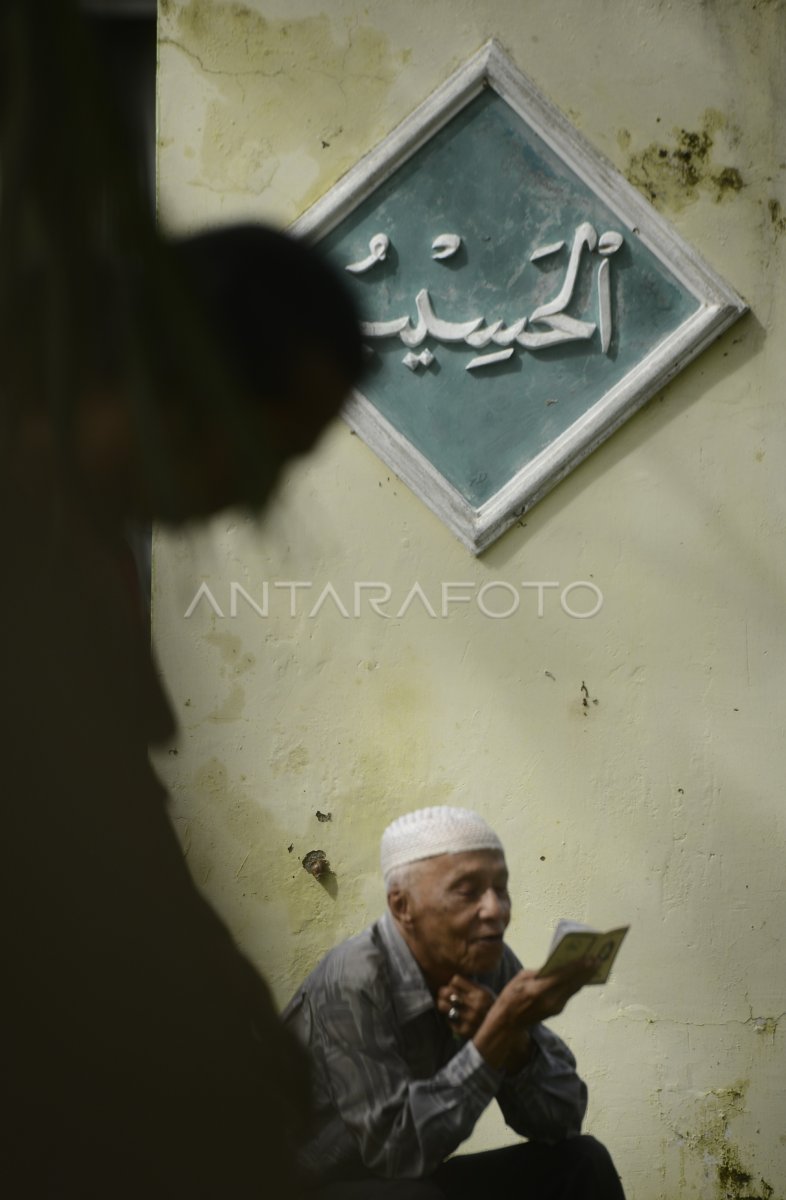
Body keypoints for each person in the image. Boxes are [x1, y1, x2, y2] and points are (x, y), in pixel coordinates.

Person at [1, 224, 363, 1197]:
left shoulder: (94, 547)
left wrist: (226, 988)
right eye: (269, 448)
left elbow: (119, 805)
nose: (258, 498)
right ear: (191, 385)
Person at [283, 806, 627, 1199]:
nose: (496, 910)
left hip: (410, 1179)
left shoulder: (488, 963)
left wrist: (515, 1045)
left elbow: (562, 1122)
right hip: (296, 1187)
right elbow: (395, 1156)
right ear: (402, 907)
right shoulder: (354, 978)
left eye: (501, 889)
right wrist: (494, 1035)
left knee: (583, 1162)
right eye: (468, 892)